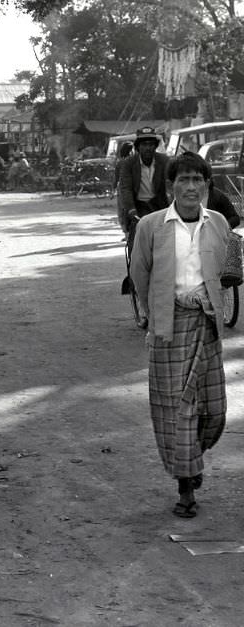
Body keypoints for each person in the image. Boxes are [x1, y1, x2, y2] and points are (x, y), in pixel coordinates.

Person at [129, 151, 230, 519]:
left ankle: (191, 457)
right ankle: (186, 486)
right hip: (169, 330)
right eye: (183, 180)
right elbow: (139, 274)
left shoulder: (218, 222)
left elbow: (230, 268)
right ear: (171, 186)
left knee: (215, 411)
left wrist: (212, 294)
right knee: (179, 413)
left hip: (207, 325)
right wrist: (155, 313)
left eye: (197, 180)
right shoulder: (151, 226)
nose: (190, 187)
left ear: (207, 185)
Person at [118, 127, 170, 235]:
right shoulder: (129, 163)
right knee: (136, 240)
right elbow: (125, 189)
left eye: (151, 144)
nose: (148, 148)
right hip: (138, 207)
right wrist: (131, 210)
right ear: (138, 146)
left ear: (155, 146)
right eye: (144, 145)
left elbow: (170, 186)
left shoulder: (164, 161)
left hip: (159, 206)